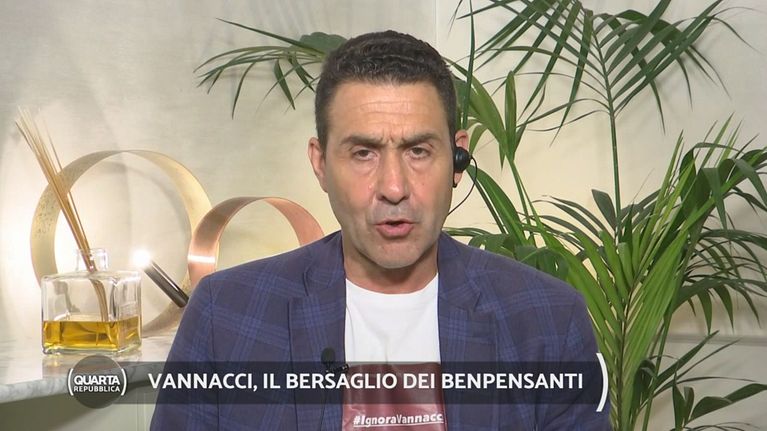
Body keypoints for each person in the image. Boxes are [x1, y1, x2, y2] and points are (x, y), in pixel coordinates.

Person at [151, 30, 610, 430]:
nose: (394, 187)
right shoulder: (226, 314)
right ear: (320, 164)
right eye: (363, 153)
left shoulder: (548, 320)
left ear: (458, 158)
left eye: (418, 151)